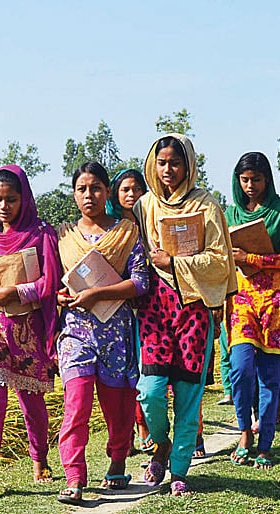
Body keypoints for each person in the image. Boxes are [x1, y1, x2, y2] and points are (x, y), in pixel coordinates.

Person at [133, 134, 236, 496]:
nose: (167, 170)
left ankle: (178, 469)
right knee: (150, 390)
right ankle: (159, 444)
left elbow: (221, 261)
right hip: (155, 311)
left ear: (188, 165)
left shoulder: (206, 206)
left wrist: (174, 262)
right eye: (161, 163)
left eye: (175, 163)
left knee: (189, 394)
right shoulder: (144, 206)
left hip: (193, 308)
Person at [54, 162, 149, 504]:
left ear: (107, 192)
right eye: (82, 189)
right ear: (74, 194)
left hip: (116, 333)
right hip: (76, 332)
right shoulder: (63, 237)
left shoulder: (126, 233)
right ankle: (75, 476)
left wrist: (97, 294)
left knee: (119, 406)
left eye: (96, 188)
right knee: (76, 404)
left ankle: (118, 460)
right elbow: (55, 283)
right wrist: (61, 296)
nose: (89, 195)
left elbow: (140, 282)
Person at [0, 165, 62, 502]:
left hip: (30, 331)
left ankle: (39, 459)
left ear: (24, 199)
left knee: (32, 403)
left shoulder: (41, 234)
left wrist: (18, 293)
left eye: (11, 199)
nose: (4, 206)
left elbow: (50, 283)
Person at [224, 152, 280, 470]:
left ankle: (265, 445)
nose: (250, 186)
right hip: (242, 298)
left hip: (276, 300)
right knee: (241, 369)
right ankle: (244, 431)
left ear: (267, 180)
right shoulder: (230, 214)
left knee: (270, 377)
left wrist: (254, 258)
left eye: (256, 180)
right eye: (244, 180)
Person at [106, 168, 155, 453]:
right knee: (129, 372)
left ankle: (154, 426)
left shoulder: (152, 223)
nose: (131, 194)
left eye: (137, 189)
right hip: (119, 309)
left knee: (150, 370)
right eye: (125, 189)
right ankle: (138, 429)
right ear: (115, 193)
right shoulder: (110, 227)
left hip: (153, 304)